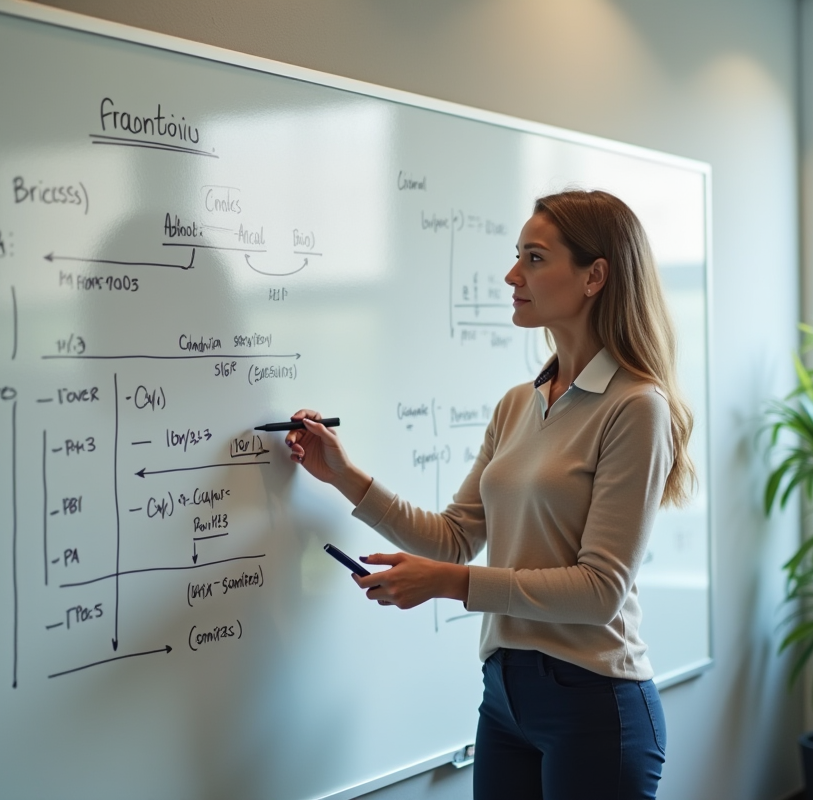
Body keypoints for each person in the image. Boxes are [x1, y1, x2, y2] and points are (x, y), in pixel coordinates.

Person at [284, 190, 694, 800]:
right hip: (505, 695)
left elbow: (599, 591)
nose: (511, 275)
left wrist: (447, 583)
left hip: (593, 704)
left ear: (595, 276)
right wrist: (342, 474)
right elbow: (454, 536)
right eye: (517, 256)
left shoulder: (637, 407)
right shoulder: (517, 403)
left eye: (533, 258)